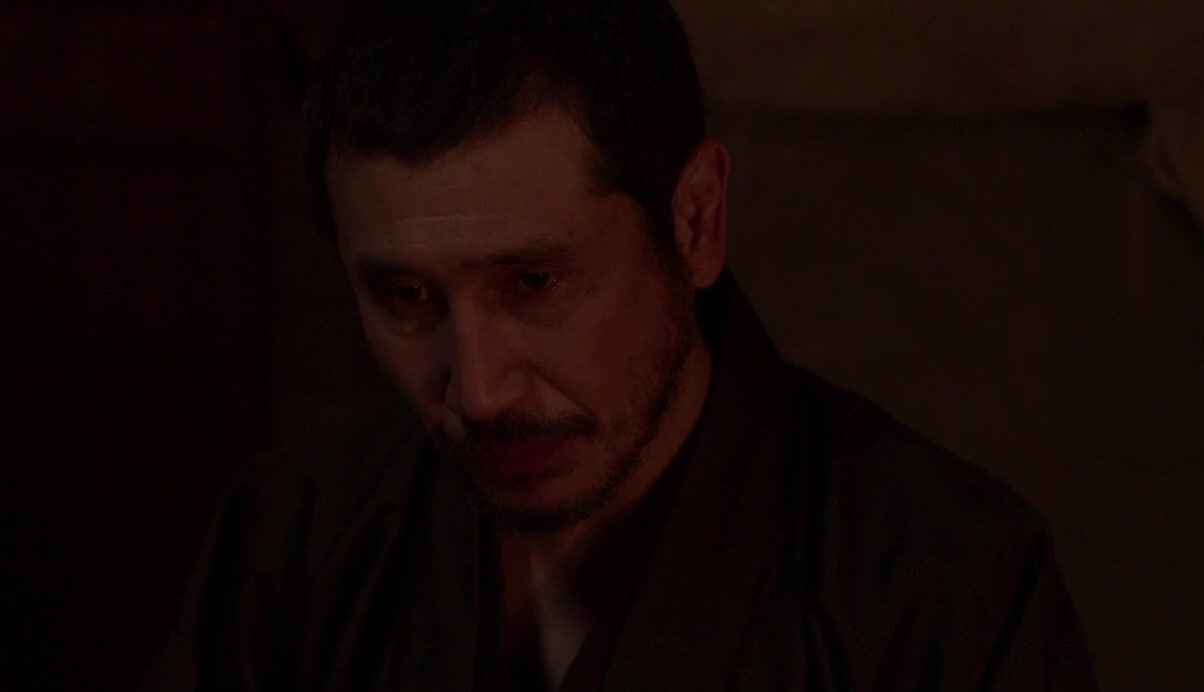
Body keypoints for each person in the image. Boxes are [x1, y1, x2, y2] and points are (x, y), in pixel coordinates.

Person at [143, 0, 1098, 689]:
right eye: (406, 298)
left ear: (696, 221)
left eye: (534, 283)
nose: (478, 390)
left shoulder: (941, 585)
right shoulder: (295, 545)